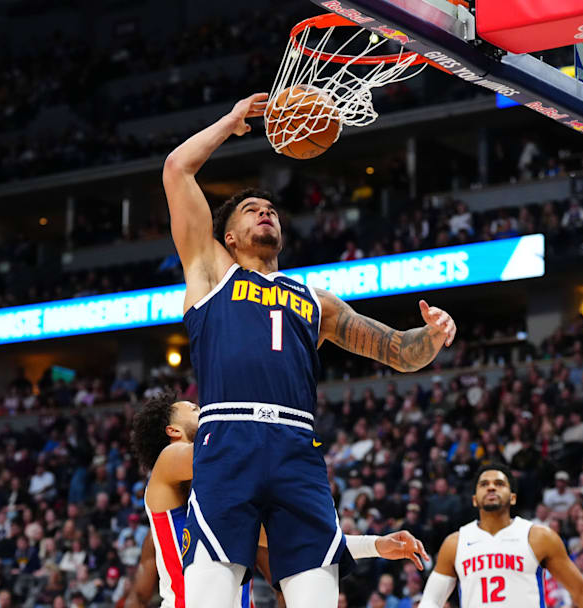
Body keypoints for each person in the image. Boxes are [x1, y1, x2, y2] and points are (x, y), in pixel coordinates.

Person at [164, 93, 456, 608]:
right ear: (227, 236)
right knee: (211, 595)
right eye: (253, 210)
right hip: (228, 438)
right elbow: (177, 170)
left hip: (296, 447)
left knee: (316, 595)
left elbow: (397, 351)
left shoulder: (314, 300)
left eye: (271, 210)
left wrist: (432, 334)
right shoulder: (210, 272)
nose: (266, 214)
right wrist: (231, 122)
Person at [126, 392, 430, 608]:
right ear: (173, 430)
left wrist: (376, 544)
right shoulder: (169, 461)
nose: (203, 409)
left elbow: (300, 540)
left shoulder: (233, 495)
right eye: (193, 409)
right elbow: (225, 453)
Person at [417, 464, 583, 608]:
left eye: (499, 484)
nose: (491, 487)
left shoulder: (539, 537)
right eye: (484, 484)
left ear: (513, 497)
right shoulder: (455, 542)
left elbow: (581, 592)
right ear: (475, 500)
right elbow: (431, 601)